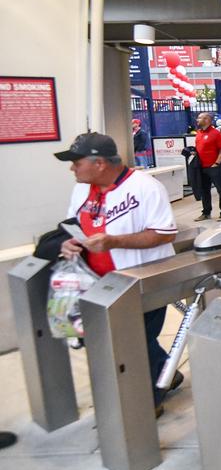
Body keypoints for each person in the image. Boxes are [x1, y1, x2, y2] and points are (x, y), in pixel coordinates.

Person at [55, 132, 180, 416]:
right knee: (119, 339)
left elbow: (164, 233)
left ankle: (147, 403)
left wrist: (114, 241)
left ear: (99, 163)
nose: (72, 168)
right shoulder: (81, 190)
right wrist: (68, 242)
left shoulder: (145, 188)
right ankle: (166, 372)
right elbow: (72, 224)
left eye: (76, 162)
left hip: (142, 279)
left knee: (136, 341)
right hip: (97, 282)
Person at [193, 112, 221, 221]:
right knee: (205, 191)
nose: (197, 120)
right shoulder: (199, 133)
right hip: (202, 167)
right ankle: (206, 212)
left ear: (207, 120)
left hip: (214, 167)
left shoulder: (216, 134)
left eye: (200, 118)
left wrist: (217, 163)